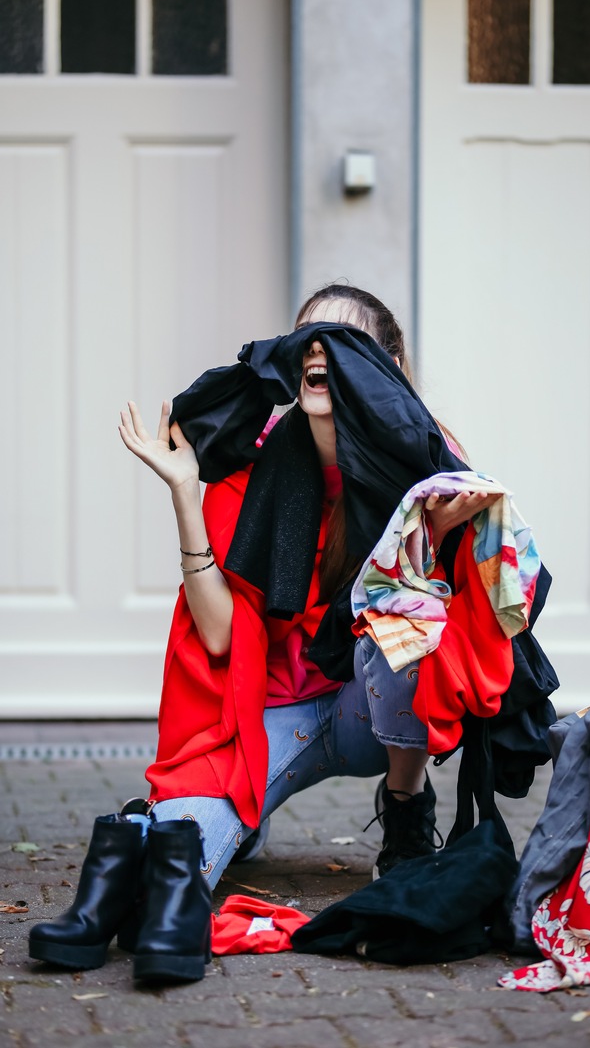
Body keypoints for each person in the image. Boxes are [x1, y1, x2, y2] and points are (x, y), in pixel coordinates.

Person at [29, 283, 523, 982]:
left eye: (344, 339)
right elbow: (221, 635)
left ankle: (407, 813)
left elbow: (456, 624)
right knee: (181, 852)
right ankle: (231, 822)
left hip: (369, 711)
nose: (318, 349)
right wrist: (185, 492)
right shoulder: (248, 460)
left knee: (400, 632)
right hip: (265, 717)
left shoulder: (425, 464)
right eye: (306, 337)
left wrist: (424, 536)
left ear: (385, 365)